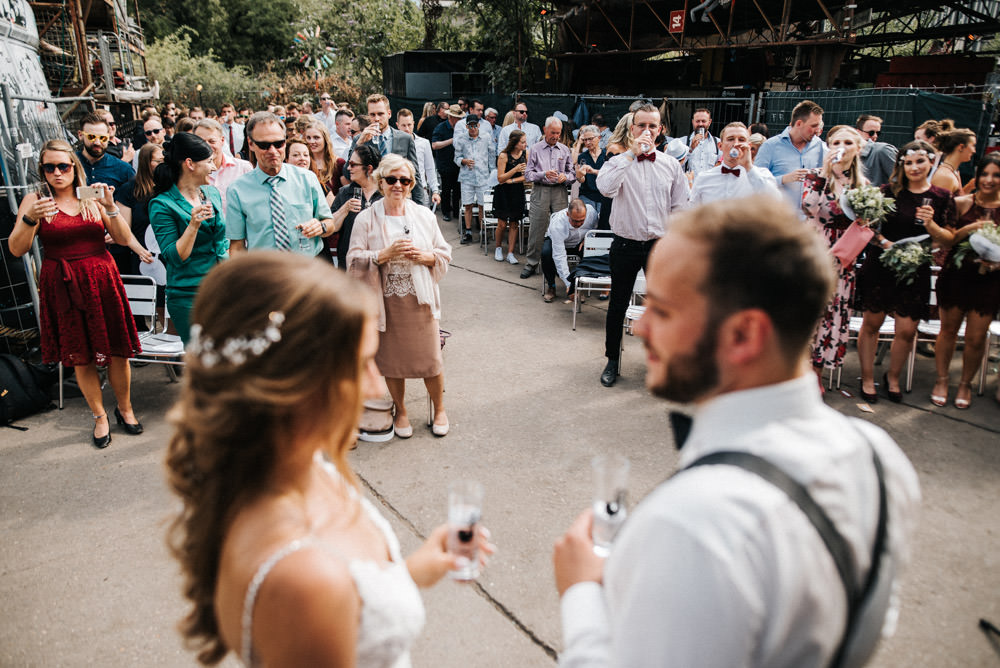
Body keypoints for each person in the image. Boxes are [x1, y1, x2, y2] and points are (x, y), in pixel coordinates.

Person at [552, 195, 921, 668]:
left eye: (662, 310)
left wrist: (581, 591)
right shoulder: (880, 458)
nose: (641, 329)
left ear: (744, 335)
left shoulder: (693, 523)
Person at [165, 252, 492, 666]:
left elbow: (350, 608)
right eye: (361, 364)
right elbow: (326, 596)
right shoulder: (304, 581)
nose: (377, 385)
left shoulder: (299, 467)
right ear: (294, 384)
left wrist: (414, 570)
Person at [9, 140, 147, 448]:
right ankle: (99, 416)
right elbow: (17, 248)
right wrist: (31, 218)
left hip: (101, 280)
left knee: (115, 352)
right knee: (82, 355)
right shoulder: (35, 199)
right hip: (63, 283)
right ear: (41, 170)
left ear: (75, 166)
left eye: (63, 166)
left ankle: (124, 409)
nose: (57, 173)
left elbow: (124, 239)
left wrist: (110, 206)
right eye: (49, 167)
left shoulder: (91, 196)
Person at [347, 154, 453, 438]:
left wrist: (426, 256)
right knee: (392, 362)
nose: (398, 185)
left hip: (420, 300)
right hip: (385, 302)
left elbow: (444, 253)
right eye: (391, 179)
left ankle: (440, 408)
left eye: (404, 180)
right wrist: (383, 255)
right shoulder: (365, 218)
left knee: (430, 360)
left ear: (411, 184)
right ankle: (401, 410)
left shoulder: (423, 215)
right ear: (380, 182)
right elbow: (353, 259)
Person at [854, 140, 956, 403]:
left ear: (931, 162)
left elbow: (947, 240)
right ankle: (866, 378)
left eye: (920, 161)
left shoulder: (941, 198)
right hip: (881, 264)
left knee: (907, 330)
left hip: (914, 268)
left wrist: (931, 224)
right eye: (908, 162)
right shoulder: (887, 192)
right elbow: (868, 228)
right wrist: (885, 243)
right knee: (872, 324)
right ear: (901, 164)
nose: (914, 167)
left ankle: (894, 376)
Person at [595, 103, 689, 387]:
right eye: (641, 125)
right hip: (624, 244)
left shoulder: (671, 165)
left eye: (652, 126)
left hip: (658, 247)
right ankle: (612, 359)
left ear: (660, 130)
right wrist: (629, 156)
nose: (646, 131)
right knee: (618, 305)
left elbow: (681, 207)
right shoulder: (617, 161)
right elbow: (605, 189)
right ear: (632, 128)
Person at [931, 153, 1000, 409]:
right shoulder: (959, 203)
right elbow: (946, 241)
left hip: (990, 281)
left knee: (975, 337)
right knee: (948, 331)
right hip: (957, 277)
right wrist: (970, 229)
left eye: (996, 175)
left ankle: (965, 384)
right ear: (977, 175)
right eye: (984, 174)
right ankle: (941, 379)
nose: (989, 180)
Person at [148, 132, 229, 344]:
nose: (214, 167)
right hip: (189, 295)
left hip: (222, 287)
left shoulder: (211, 193)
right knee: (203, 361)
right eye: (209, 161)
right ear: (190, 164)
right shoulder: (162, 204)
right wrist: (193, 225)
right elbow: (175, 257)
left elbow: (222, 241)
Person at [801, 125, 868, 378]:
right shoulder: (816, 176)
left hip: (843, 256)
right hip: (815, 251)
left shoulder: (863, 185)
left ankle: (816, 371)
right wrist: (826, 172)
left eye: (848, 143)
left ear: (858, 149)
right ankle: (800, 370)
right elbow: (808, 207)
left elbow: (867, 224)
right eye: (836, 142)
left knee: (831, 313)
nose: (841, 148)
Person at [226, 112, 336, 257]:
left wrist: (320, 226)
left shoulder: (307, 179)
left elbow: (329, 224)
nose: (272, 151)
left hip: (306, 270)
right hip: (265, 273)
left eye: (278, 144)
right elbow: (237, 247)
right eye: (264, 145)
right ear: (251, 144)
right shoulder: (237, 190)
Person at [520, 117, 574, 279]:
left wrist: (566, 177)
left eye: (558, 133)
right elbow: (528, 175)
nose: (555, 136)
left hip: (559, 192)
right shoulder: (535, 149)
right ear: (545, 130)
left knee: (561, 228)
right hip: (541, 191)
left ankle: (558, 264)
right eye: (553, 133)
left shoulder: (565, 149)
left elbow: (572, 173)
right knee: (536, 228)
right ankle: (531, 263)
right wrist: (543, 174)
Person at [348, 94, 425, 206]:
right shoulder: (359, 140)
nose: (377, 118)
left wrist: (420, 208)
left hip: (398, 199)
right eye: (372, 114)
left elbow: (415, 175)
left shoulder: (405, 139)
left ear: (389, 114)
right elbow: (347, 172)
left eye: (380, 114)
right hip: (371, 202)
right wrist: (359, 143)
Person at [754, 100, 827, 207]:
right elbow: (755, 181)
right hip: (779, 217)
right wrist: (783, 179)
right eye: (813, 126)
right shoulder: (770, 146)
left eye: (819, 125)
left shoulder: (820, 146)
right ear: (799, 124)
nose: (818, 130)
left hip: (809, 219)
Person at [689, 122, 778, 206]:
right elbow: (692, 212)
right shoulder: (704, 178)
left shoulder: (762, 174)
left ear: (749, 146)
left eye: (741, 139)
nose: (736, 144)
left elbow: (775, 200)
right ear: (720, 146)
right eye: (730, 139)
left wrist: (749, 167)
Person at [114, 143, 164, 277]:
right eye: (158, 161)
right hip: (142, 256)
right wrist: (140, 251)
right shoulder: (129, 189)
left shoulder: (169, 187)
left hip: (168, 254)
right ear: (146, 162)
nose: (163, 164)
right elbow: (124, 230)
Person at [329, 145, 382, 270]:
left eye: (353, 164)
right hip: (350, 264)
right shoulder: (344, 193)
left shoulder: (385, 193)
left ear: (369, 169)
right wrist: (344, 209)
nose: (348, 168)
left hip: (379, 263)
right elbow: (332, 227)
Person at [542, 199, 598, 303]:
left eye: (582, 220)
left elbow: (595, 226)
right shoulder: (558, 224)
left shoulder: (591, 212)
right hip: (558, 242)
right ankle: (551, 286)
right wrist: (569, 285)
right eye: (575, 221)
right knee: (546, 253)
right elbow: (559, 256)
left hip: (579, 242)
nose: (579, 224)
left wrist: (589, 238)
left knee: (591, 251)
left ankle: (579, 286)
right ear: (568, 214)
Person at [194, 119, 253, 214]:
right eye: (201, 142)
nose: (206, 146)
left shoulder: (243, 168)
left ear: (222, 141)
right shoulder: (189, 173)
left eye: (212, 141)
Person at [454, 114, 496, 245]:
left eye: (475, 125)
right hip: (467, 176)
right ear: (466, 126)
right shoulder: (461, 139)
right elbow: (456, 158)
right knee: (468, 204)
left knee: (483, 205)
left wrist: (492, 173)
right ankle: (468, 231)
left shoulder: (486, 137)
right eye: (470, 126)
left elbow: (491, 155)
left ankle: (483, 231)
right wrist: (463, 161)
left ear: (478, 125)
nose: (472, 128)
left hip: (483, 176)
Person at [494, 129, 529, 264]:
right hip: (503, 192)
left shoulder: (526, 154)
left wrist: (514, 180)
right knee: (502, 223)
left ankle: (510, 252)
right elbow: (500, 178)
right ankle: (498, 248)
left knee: (515, 223)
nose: (525, 144)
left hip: (517, 191)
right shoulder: (504, 155)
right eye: (523, 142)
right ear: (515, 143)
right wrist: (515, 169)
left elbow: (528, 176)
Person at [77, 111, 135, 189]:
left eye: (102, 138)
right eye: (91, 137)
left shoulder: (124, 169)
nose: (97, 142)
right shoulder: (68, 165)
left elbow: (135, 198)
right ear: (80, 135)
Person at [396, 109, 441, 209]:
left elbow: (430, 168)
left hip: (421, 190)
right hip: (400, 191)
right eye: (403, 125)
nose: (407, 129)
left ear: (413, 124)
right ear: (397, 125)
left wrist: (435, 191)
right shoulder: (393, 143)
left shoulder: (424, 143)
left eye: (409, 125)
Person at [432, 104, 464, 223]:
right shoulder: (440, 128)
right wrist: (452, 140)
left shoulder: (461, 128)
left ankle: (456, 212)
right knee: (446, 190)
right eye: (458, 118)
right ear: (451, 118)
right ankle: (446, 212)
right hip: (445, 164)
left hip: (458, 164)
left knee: (457, 190)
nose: (460, 120)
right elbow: (434, 145)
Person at [303, 121, 347, 206]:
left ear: (325, 139)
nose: (312, 141)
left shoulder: (338, 163)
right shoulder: (303, 162)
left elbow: (347, 192)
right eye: (308, 138)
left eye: (316, 137)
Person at [856, 114, 897, 187]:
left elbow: (898, 180)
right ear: (858, 132)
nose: (875, 136)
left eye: (878, 133)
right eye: (871, 133)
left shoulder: (883, 150)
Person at [931, 128, 977, 195]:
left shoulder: (953, 172)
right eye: (973, 145)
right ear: (961, 147)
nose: (974, 151)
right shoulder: (945, 177)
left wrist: (970, 187)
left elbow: (956, 201)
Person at [575, 124, 607, 213]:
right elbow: (582, 180)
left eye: (590, 139)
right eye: (585, 140)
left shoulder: (607, 155)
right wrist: (579, 176)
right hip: (587, 195)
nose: (588, 142)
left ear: (599, 137)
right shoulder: (582, 157)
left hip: (604, 195)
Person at [681, 107, 720, 176]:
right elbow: (676, 165)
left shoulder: (718, 143)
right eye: (697, 121)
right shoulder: (682, 142)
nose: (700, 124)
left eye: (703, 121)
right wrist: (690, 149)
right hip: (690, 185)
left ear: (709, 122)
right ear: (693, 122)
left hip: (710, 185)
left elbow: (723, 164)